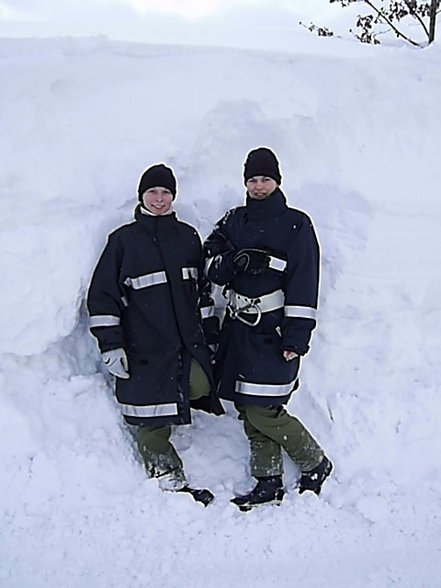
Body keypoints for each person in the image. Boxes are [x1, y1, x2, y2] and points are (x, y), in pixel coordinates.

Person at [87, 163, 224, 506]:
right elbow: (103, 296)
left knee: (200, 385)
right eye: (153, 192)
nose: (159, 199)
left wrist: (209, 333)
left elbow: (202, 291)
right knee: (150, 414)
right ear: (141, 196)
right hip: (144, 346)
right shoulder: (123, 241)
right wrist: (111, 345)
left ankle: (171, 411)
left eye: (165, 192)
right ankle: (168, 478)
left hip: (186, 342)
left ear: (173, 196)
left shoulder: (187, 236)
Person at [204, 147, 332, 510]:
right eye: (253, 179)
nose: (259, 186)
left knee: (264, 408)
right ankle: (268, 480)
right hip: (237, 329)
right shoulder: (233, 220)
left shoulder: (296, 223)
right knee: (248, 404)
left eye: (265, 179)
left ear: (277, 181)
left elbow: (305, 282)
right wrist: (234, 261)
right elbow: (209, 261)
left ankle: (315, 462)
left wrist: (297, 336)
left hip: (273, 331)